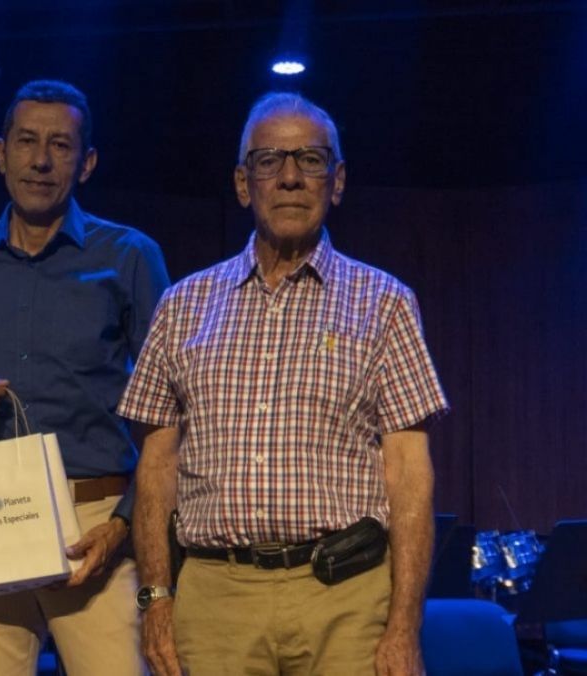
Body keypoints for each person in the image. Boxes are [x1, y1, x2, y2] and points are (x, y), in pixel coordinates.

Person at [120, 92, 449, 676]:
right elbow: (156, 468)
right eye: (270, 160)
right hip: (216, 602)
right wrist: (156, 599)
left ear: (337, 181)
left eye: (311, 160)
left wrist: (404, 625)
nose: (291, 177)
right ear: (243, 184)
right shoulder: (183, 306)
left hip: (346, 599)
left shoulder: (385, 303)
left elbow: (409, 475)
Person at [0, 79, 170, 676]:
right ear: (0, 152)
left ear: (86, 163)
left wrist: (123, 526)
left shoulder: (129, 256)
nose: (40, 160)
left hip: (95, 523)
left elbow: (172, 414)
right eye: (26, 141)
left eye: (60, 145)